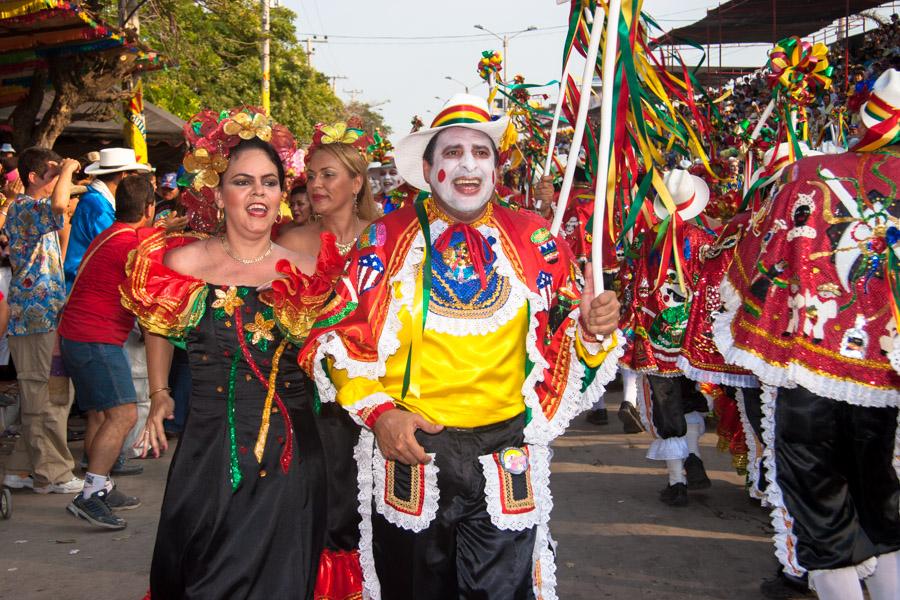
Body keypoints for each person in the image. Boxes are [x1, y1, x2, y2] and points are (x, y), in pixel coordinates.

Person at [289, 94, 623, 599]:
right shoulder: (385, 239)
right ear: (427, 168)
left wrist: (594, 330)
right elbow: (333, 341)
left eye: (481, 152)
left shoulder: (535, 240)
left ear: (496, 166)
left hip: (505, 450)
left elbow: (566, 345)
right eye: (452, 152)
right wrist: (381, 415)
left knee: (505, 592)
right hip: (415, 451)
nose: (468, 164)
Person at [122, 107, 328, 598]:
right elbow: (157, 323)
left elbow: (338, 354)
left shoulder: (306, 270)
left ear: (282, 194)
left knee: (280, 580)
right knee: (201, 573)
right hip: (208, 449)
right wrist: (159, 391)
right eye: (243, 181)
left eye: (269, 182)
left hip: (290, 454)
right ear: (218, 193)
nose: (258, 192)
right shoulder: (183, 261)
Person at [715, 69, 900, 600]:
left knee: (820, 509)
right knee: (883, 509)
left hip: (810, 365)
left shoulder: (809, 175)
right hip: (885, 375)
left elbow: (757, 260)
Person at [279, 121, 382, 600]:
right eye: (312, 177)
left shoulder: (388, 239)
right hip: (321, 404)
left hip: (387, 395)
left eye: (328, 176)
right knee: (332, 507)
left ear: (357, 182)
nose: (316, 186)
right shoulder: (294, 242)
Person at [59, 175, 156, 529]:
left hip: (78, 336)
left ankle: (101, 484)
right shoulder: (131, 245)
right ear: (149, 208)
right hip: (94, 339)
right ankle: (89, 496)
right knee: (124, 415)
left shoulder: (112, 232)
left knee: (101, 414)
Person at [619, 168, 715, 507]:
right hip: (692, 340)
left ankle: (677, 481)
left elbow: (634, 287)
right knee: (690, 400)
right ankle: (694, 458)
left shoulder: (648, 240)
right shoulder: (704, 240)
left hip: (657, 339)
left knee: (667, 408)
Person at [0, 148, 83, 494]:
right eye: (49, 173)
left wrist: (67, 174)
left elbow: (63, 206)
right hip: (33, 319)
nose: (57, 179)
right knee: (41, 398)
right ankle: (53, 474)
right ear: (33, 177)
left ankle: (19, 470)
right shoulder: (23, 207)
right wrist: (66, 169)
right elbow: (60, 207)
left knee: (48, 393)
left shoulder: (35, 211)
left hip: (45, 315)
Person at [64, 147, 151, 294]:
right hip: (85, 288)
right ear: (124, 176)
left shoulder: (99, 201)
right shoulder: (97, 206)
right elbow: (118, 244)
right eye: (134, 176)